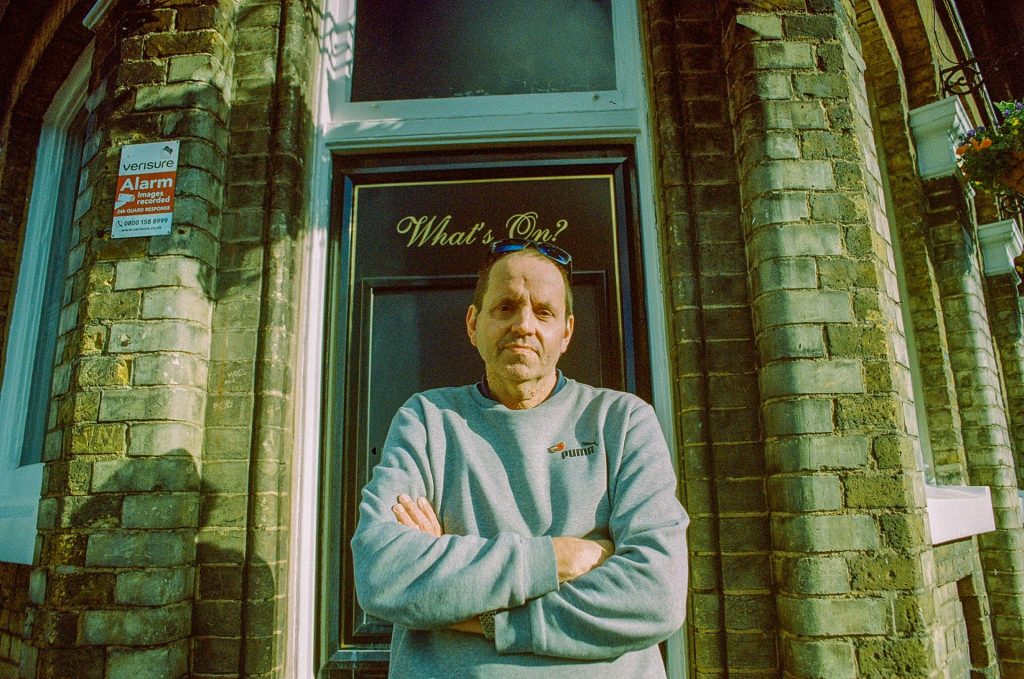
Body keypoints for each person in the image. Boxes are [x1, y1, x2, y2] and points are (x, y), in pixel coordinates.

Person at [351, 239, 689, 678]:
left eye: (543, 312)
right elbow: (384, 573)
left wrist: (481, 615)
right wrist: (556, 559)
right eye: (505, 308)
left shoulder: (622, 422)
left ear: (566, 332)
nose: (524, 325)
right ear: (474, 325)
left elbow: (655, 593)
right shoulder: (428, 420)